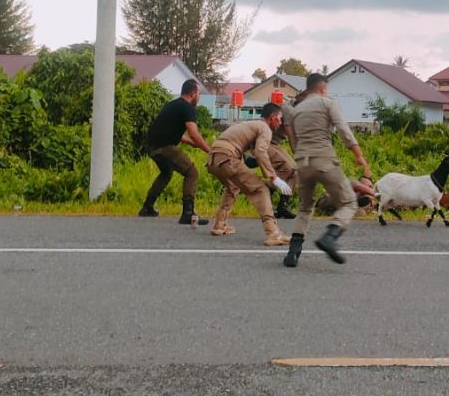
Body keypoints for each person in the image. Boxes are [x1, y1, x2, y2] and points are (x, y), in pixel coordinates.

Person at [283, 73, 374, 268]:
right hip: (323, 160)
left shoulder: (296, 110)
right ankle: (329, 237)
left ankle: (293, 252)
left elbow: (294, 139)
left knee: (305, 208)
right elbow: (343, 130)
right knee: (349, 202)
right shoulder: (327, 103)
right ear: (323, 88)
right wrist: (359, 155)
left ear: (307, 88)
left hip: (302, 162)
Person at [206, 102, 294, 246]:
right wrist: (273, 177)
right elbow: (260, 152)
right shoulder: (265, 128)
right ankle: (272, 233)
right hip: (227, 157)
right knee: (261, 189)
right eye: (279, 118)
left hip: (213, 160)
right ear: (272, 117)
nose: (281, 123)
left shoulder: (251, 125)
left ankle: (219, 224)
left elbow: (252, 152)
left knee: (233, 187)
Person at [139, 79, 213, 224]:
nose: (199, 97)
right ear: (193, 93)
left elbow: (173, 132)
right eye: (199, 93)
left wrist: (194, 144)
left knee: (166, 173)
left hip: (152, 147)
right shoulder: (187, 108)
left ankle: (147, 207)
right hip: (165, 147)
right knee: (192, 173)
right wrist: (210, 151)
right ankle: (187, 213)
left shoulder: (172, 105)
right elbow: (194, 133)